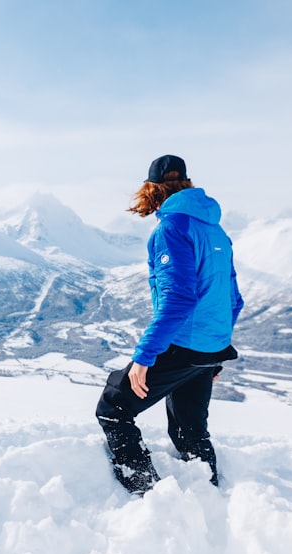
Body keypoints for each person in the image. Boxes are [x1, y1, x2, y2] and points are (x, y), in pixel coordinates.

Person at [95, 155, 244, 494]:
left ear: (151, 189)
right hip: (209, 345)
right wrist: (216, 350)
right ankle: (209, 494)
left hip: (183, 344)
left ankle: (147, 493)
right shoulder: (215, 229)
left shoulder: (171, 228)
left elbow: (179, 298)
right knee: (189, 428)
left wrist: (145, 356)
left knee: (113, 408)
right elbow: (233, 299)